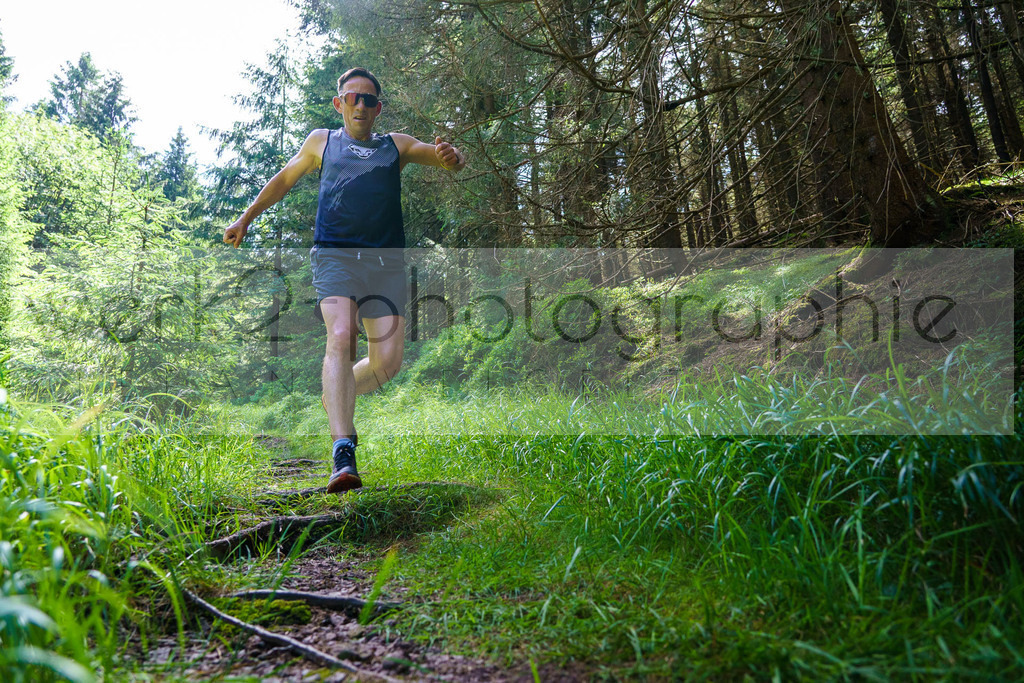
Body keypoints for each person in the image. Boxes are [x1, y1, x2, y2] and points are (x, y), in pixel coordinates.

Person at [223, 67, 466, 493]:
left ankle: (335, 390)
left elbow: (443, 158)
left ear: (378, 109)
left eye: (368, 99)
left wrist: (452, 157)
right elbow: (283, 179)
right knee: (340, 335)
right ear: (339, 104)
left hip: (386, 265)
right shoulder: (322, 142)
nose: (360, 105)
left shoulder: (398, 146)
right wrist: (246, 218)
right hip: (335, 256)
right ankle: (343, 449)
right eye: (352, 97)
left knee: (387, 364)